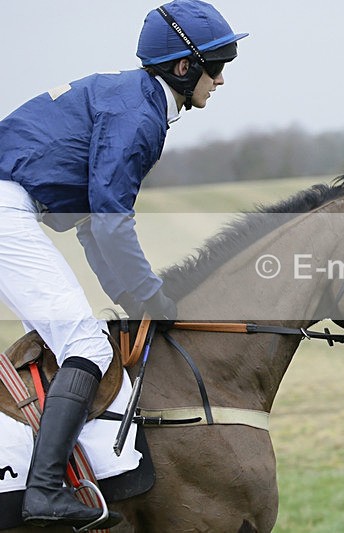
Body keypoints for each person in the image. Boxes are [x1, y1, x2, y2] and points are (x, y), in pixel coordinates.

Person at [0, 0, 246, 528]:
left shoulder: (131, 99)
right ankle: (42, 494)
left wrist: (139, 297)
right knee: (85, 345)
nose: (222, 79)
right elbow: (110, 221)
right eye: (219, 64)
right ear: (184, 67)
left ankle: (41, 480)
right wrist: (150, 297)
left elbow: (93, 223)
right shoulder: (139, 115)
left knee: (53, 350)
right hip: (6, 207)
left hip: (13, 204)